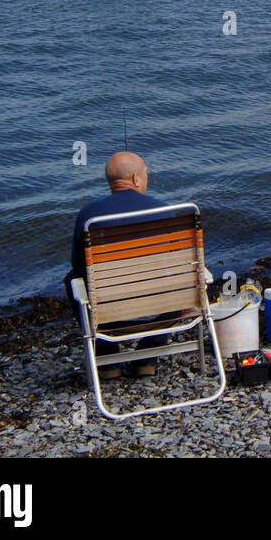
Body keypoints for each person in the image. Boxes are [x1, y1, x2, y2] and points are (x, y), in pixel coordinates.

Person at [65, 151, 170, 379]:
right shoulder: (164, 211)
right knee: (179, 277)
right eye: (145, 175)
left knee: (72, 280)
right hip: (162, 309)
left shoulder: (89, 215)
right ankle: (148, 355)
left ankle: (107, 358)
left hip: (109, 314)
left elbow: (79, 266)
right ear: (135, 178)